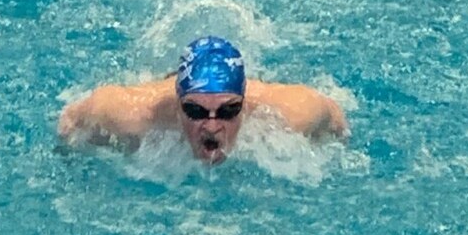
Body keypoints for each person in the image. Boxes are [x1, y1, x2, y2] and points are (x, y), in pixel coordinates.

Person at [58, 36, 348, 164]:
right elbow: (71, 119)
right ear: (177, 104)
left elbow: (335, 118)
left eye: (228, 110)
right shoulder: (129, 113)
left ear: (244, 102)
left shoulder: (294, 111)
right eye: (195, 111)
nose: (211, 126)